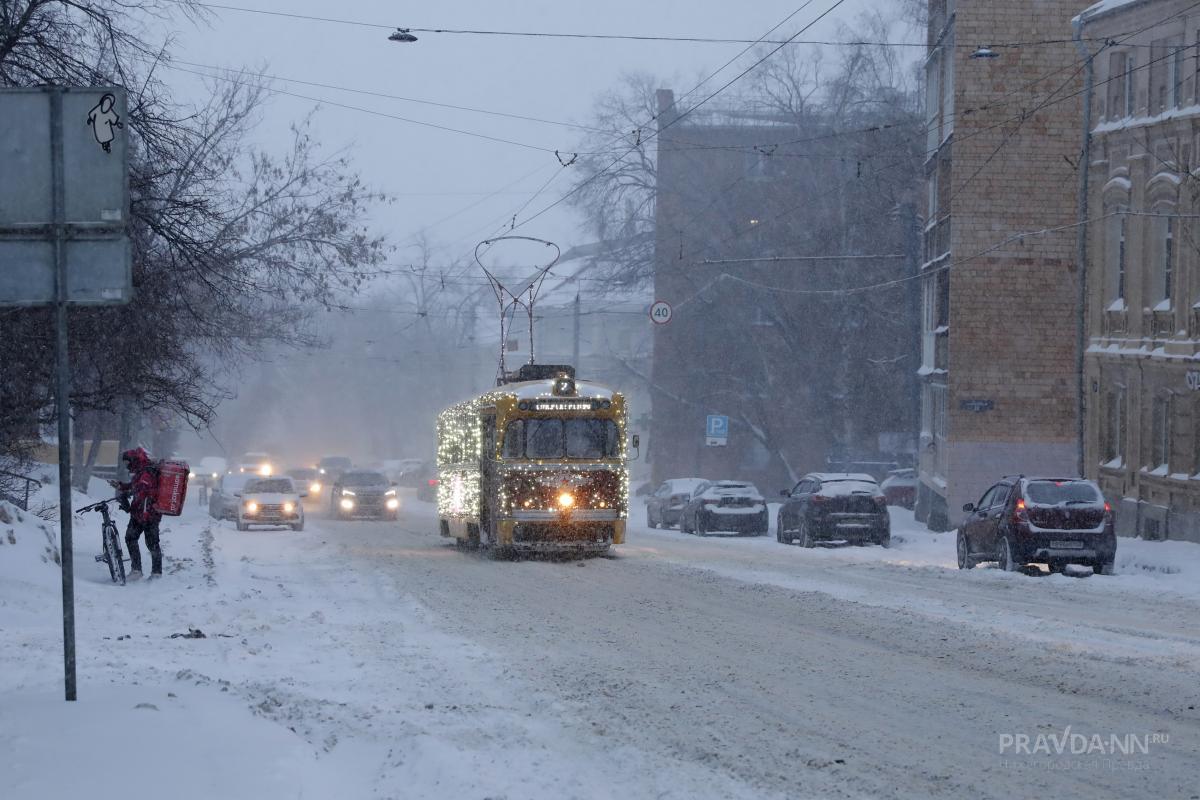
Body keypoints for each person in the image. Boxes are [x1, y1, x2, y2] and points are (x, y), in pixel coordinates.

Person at [112, 447, 162, 578]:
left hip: (147, 514)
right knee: (142, 540)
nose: (127, 466)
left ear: (134, 460)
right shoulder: (142, 471)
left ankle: (145, 571)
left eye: (128, 463)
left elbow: (142, 492)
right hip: (144, 513)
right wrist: (121, 486)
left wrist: (129, 503)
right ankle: (146, 571)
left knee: (145, 541)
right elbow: (134, 486)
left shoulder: (145, 473)